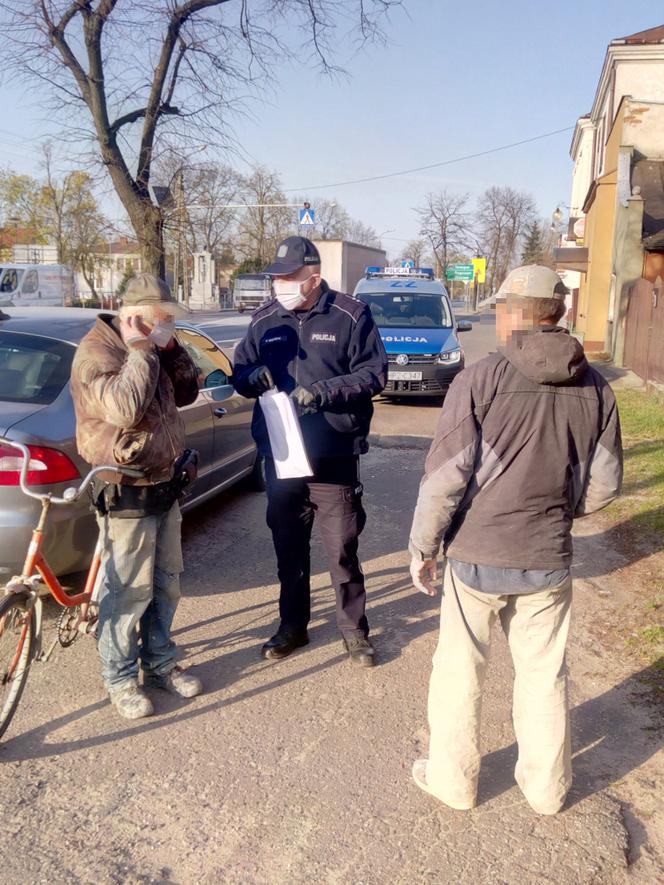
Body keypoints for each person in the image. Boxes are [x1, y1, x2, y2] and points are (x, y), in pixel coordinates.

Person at [408, 265, 623, 814]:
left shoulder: (481, 379)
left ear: (513, 313)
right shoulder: (596, 387)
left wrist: (423, 548)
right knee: (544, 674)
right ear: (560, 312)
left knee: (459, 670)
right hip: (545, 555)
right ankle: (547, 791)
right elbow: (605, 482)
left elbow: (445, 478)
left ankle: (454, 782)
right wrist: (561, 514)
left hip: (477, 554)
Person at [233, 237, 387, 666]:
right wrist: (251, 375)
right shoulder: (264, 319)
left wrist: (322, 393)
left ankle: (354, 632)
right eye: (275, 277)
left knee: (341, 549)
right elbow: (239, 372)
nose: (278, 284)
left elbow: (374, 374)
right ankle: (292, 627)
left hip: (332, 454)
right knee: (289, 548)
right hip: (281, 457)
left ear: (313, 279)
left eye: (287, 277)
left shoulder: (351, 316)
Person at [70, 273, 204, 720]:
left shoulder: (154, 346)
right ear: (133, 317)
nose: (166, 324)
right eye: (159, 319)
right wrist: (141, 349)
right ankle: (120, 677)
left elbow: (188, 391)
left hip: (164, 483)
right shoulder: (98, 352)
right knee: (127, 592)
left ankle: (160, 662)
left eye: (168, 319)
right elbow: (125, 408)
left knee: (166, 584)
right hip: (125, 485)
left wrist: (168, 348)